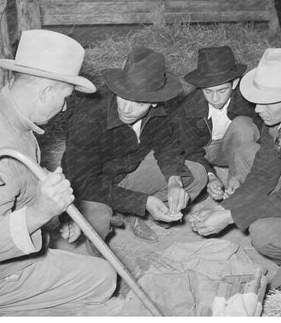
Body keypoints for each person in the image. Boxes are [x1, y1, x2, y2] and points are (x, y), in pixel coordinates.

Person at [0, 30, 119, 315]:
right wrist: (40, 212)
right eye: (65, 97)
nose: (63, 108)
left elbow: (13, 188)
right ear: (46, 90)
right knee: (104, 279)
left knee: (82, 244)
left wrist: (53, 216)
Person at [189, 48, 281, 264]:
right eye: (258, 100)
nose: (258, 109)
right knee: (246, 153)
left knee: (263, 234)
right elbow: (262, 176)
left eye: (267, 102)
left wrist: (230, 217)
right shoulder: (278, 117)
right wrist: (223, 208)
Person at [61, 47, 207, 244]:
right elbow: (83, 182)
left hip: (128, 172)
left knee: (196, 174)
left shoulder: (158, 110)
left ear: (155, 102)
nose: (127, 110)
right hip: (92, 185)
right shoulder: (87, 116)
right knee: (98, 220)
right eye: (124, 97)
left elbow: (166, 145)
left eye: (140, 103)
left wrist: (174, 182)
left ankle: (137, 214)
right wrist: (141, 201)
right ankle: (121, 218)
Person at [170, 46, 262, 201]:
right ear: (200, 88)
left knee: (243, 125)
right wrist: (210, 176)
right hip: (205, 152)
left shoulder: (249, 101)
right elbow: (188, 149)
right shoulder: (187, 109)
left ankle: (236, 185)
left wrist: (242, 174)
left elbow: (264, 133)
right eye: (208, 92)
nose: (215, 99)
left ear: (234, 84)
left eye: (221, 91)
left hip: (236, 147)